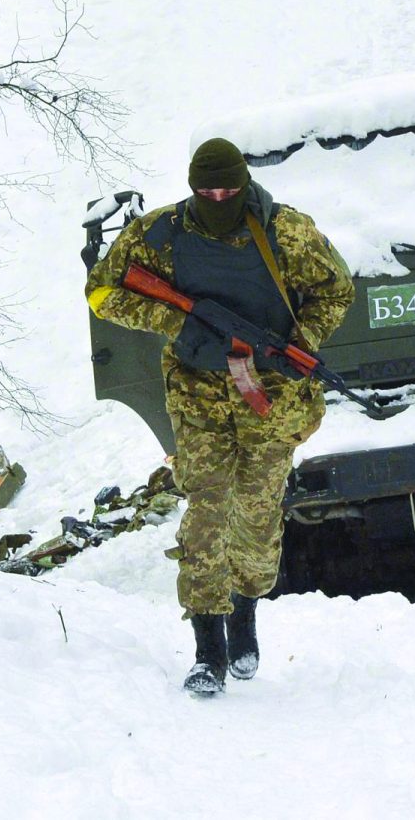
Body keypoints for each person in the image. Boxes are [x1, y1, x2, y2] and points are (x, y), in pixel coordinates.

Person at [85, 137, 354, 696]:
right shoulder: (160, 234)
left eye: (228, 188)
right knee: (208, 510)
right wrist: (176, 322)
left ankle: (245, 620)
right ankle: (209, 647)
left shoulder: (287, 231)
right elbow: (101, 290)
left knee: (256, 514)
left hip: (272, 398)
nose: (217, 197)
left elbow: (337, 291)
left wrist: (295, 343)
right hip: (196, 392)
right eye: (206, 189)